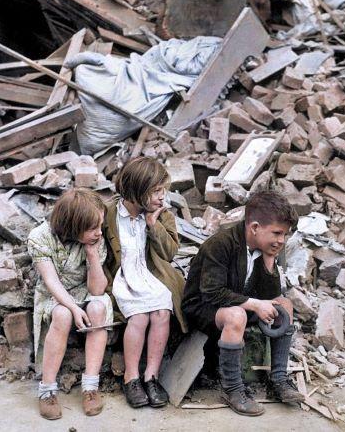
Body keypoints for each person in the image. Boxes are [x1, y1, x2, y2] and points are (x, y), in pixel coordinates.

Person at [182, 190, 304, 416]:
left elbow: (271, 295)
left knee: (284, 304)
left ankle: (278, 378)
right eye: (277, 233)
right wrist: (256, 305)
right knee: (237, 315)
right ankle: (233, 389)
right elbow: (212, 292)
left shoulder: (268, 246)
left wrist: (269, 263)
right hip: (204, 307)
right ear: (255, 227)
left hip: (239, 302)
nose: (281, 240)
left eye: (285, 235)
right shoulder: (220, 244)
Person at [103, 157, 188, 409]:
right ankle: (131, 378)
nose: (162, 198)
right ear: (137, 190)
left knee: (162, 311)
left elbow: (169, 253)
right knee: (139, 317)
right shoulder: (108, 213)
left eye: (164, 191)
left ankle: (152, 376)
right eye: (155, 192)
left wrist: (153, 225)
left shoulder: (162, 215)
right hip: (123, 276)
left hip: (151, 274)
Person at [27, 188, 113, 420]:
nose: (98, 232)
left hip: (84, 289)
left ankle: (90, 386)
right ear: (73, 226)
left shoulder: (95, 240)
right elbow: (51, 281)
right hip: (54, 293)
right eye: (91, 228)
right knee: (63, 315)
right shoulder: (40, 236)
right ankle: (47, 389)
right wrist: (74, 308)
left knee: (97, 308)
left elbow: (97, 289)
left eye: (100, 226)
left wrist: (93, 255)